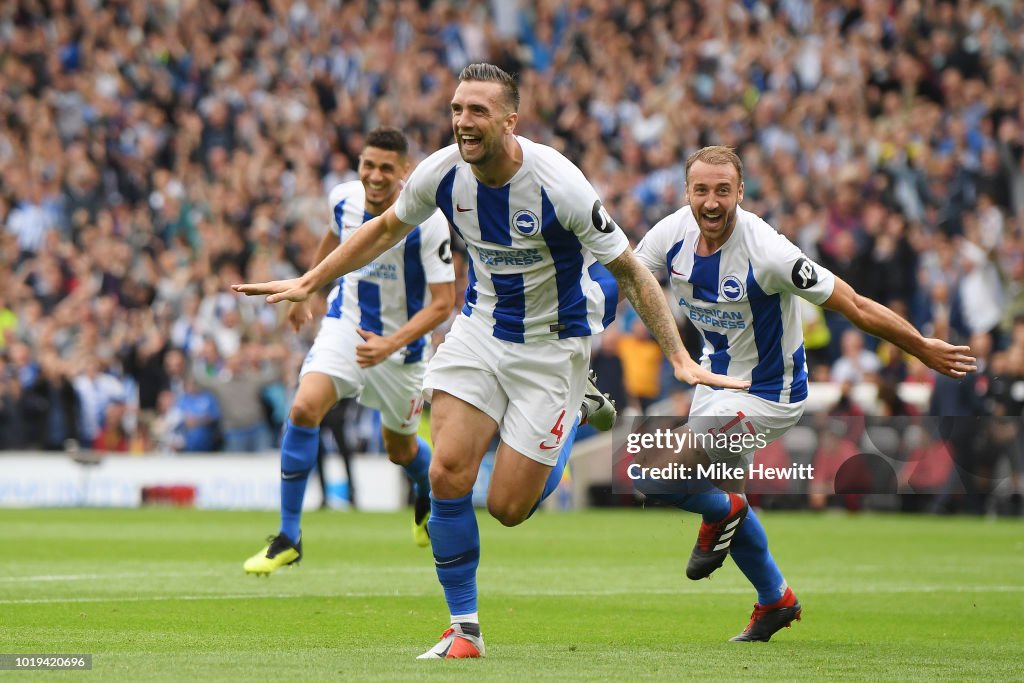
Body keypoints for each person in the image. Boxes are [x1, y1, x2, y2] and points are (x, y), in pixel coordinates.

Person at [234, 64, 746, 658]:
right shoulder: (442, 172)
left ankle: (574, 414)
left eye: (477, 111)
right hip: (480, 329)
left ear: (510, 120)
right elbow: (382, 230)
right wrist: (312, 281)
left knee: (507, 508)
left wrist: (679, 358)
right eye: (456, 109)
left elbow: (629, 269)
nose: (462, 122)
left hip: (554, 345)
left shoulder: (560, 183)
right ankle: (464, 628)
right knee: (446, 471)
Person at [631, 145, 976, 642]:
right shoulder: (671, 233)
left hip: (770, 395)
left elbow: (853, 304)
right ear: (687, 192)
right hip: (716, 383)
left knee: (655, 475)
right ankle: (776, 600)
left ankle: (722, 513)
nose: (711, 201)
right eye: (701, 190)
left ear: (740, 193)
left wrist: (920, 346)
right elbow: (630, 276)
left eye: (722, 191)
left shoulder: (770, 253)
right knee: (711, 491)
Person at [243, 127, 457, 574]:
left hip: (402, 350)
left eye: (385, 168)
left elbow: (442, 304)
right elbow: (333, 239)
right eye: (368, 165)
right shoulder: (343, 198)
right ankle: (288, 536)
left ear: (404, 173)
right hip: (345, 325)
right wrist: (313, 292)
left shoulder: (427, 220)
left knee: (399, 450)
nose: (374, 176)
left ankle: (425, 492)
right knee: (303, 409)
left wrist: (391, 343)